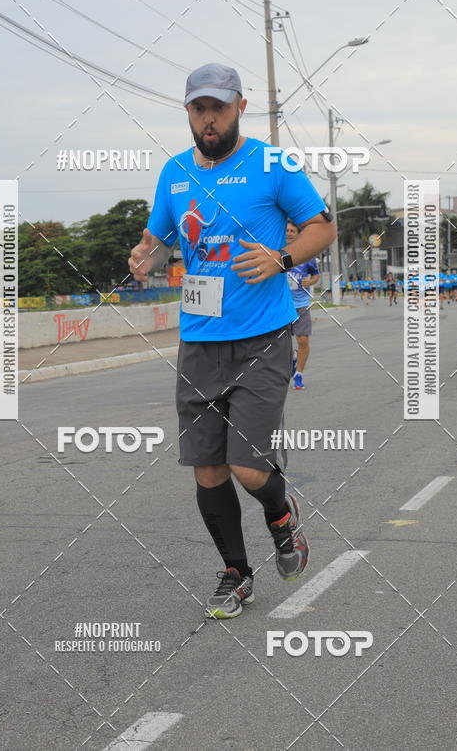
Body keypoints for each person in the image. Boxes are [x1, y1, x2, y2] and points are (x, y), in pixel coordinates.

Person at [128, 63, 336, 618]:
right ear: (189, 112)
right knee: (207, 468)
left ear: (240, 106)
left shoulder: (273, 164)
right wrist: (146, 256)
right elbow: (158, 239)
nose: (209, 117)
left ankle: (281, 513)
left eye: (218, 106)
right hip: (199, 341)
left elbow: (322, 225)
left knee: (248, 468)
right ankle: (236, 574)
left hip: (263, 337)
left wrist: (282, 257)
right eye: (199, 108)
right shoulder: (173, 174)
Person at [285, 220, 320, 389]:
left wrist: (309, 281)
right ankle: (292, 358)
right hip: (282, 306)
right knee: (281, 343)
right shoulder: (277, 253)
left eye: (293, 230)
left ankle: (298, 375)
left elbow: (315, 276)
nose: (290, 233)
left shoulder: (307, 256)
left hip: (301, 304)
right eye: (287, 230)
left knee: (303, 340)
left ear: (298, 234)